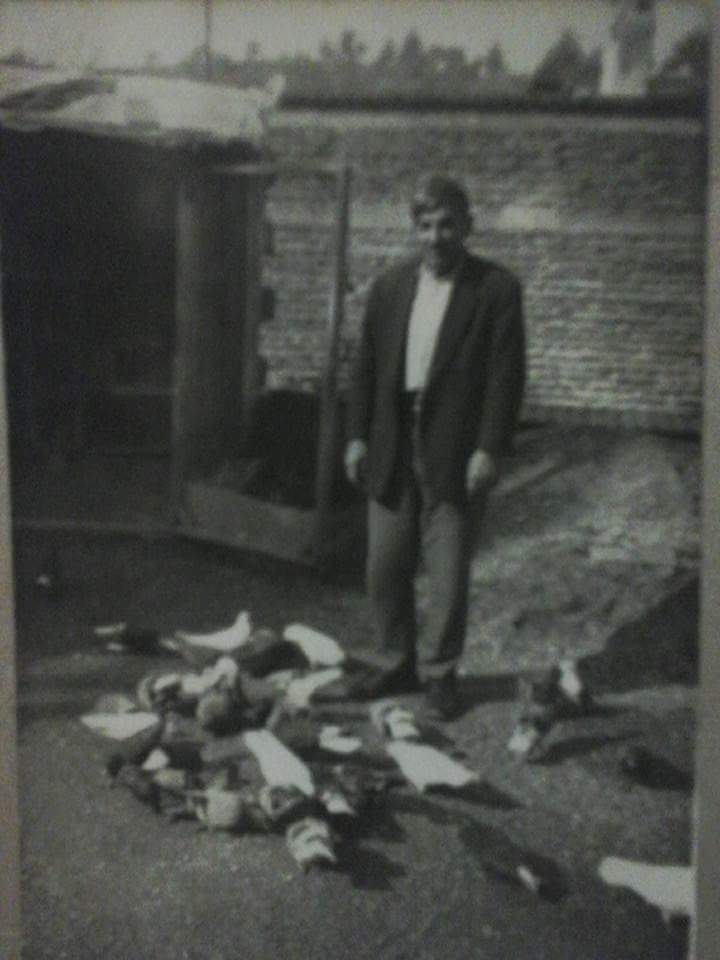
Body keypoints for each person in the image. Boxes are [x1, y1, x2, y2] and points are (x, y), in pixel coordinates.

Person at [344, 174, 526, 719]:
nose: (436, 237)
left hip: (455, 445)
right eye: (425, 226)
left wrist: (489, 448)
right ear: (414, 230)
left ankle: (440, 673)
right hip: (392, 438)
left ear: (467, 226)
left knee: (447, 569)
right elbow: (365, 368)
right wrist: (357, 436)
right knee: (385, 564)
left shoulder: (495, 290)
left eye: (447, 225)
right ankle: (394, 660)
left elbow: (506, 376)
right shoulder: (390, 286)